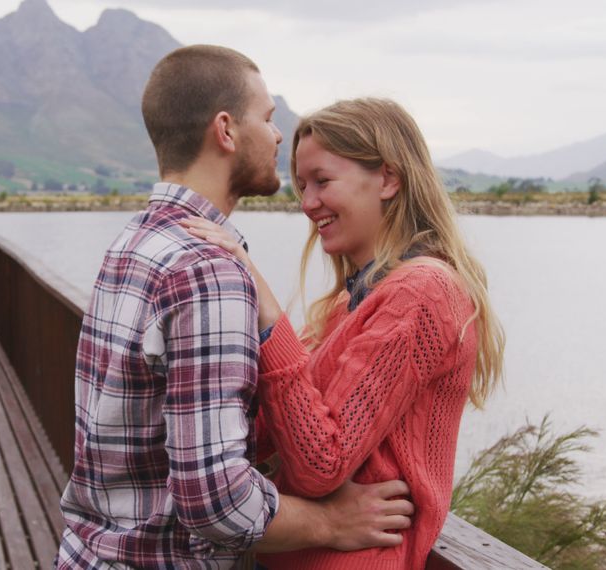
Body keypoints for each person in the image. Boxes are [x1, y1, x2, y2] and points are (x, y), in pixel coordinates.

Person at [56, 47, 413, 569]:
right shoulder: (208, 271)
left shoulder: (134, 243)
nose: (275, 137)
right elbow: (216, 501)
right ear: (226, 131)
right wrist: (331, 523)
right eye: (267, 119)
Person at [183, 97, 506, 569]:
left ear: (389, 179)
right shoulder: (351, 302)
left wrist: (268, 313)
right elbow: (273, 431)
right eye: (301, 185)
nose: (307, 203)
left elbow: (321, 463)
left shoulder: (422, 292)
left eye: (322, 181)